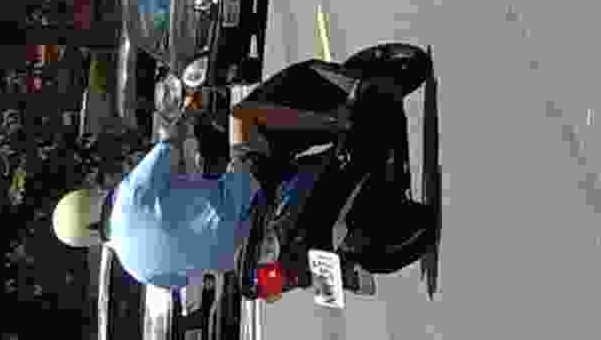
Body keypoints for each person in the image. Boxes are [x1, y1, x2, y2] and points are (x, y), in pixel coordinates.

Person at [50, 57, 367, 291]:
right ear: (90, 197)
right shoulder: (131, 195)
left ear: (88, 239)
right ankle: (344, 121)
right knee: (244, 116)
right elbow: (171, 142)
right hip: (247, 196)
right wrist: (191, 105)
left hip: (249, 256)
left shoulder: (137, 271)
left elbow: (186, 273)